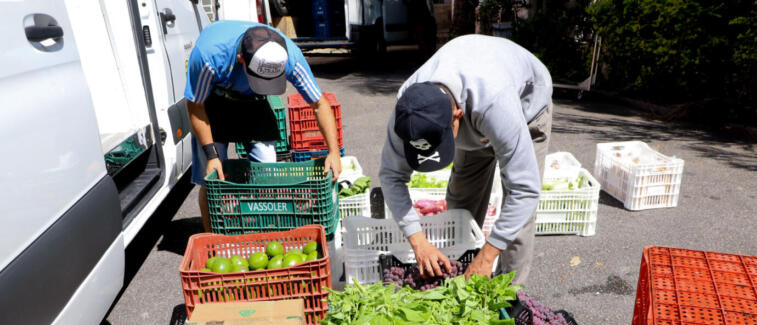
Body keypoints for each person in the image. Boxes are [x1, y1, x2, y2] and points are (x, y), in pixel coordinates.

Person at [378, 34, 553, 285]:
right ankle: (457, 278)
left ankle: (510, 295)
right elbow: (391, 176)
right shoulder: (406, 112)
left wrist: (487, 256)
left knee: (517, 223)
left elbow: (525, 190)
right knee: (461, 205)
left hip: (527, 105)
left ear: (457, 116)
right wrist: (417, 241)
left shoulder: (494, 103)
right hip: (477, 108)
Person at [185, 21, 342, 232]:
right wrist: (212, 156)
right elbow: (195, 106)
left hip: (255, 102)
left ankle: (261, 233)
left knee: (268, 172)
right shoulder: (209, 56)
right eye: (259, 79)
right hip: (213, 101)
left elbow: (319, 104)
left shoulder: (289, 56)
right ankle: (213, 239)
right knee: (212, 180)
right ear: (241, 59)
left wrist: (333, 152)